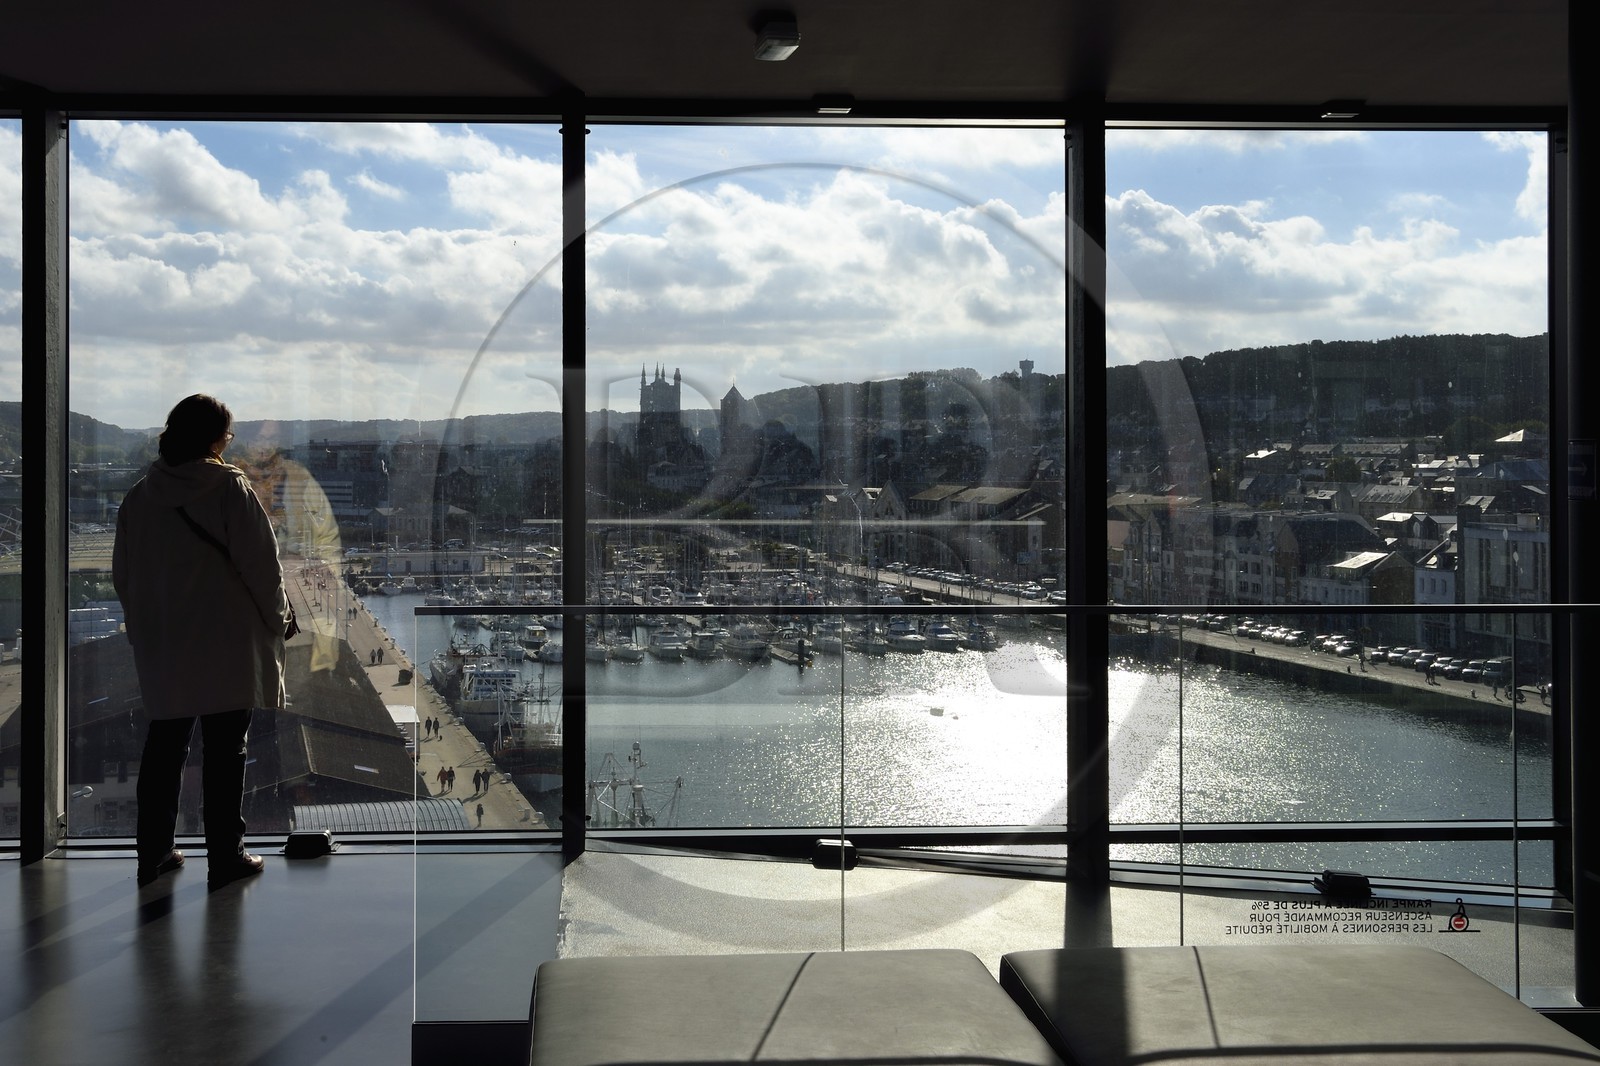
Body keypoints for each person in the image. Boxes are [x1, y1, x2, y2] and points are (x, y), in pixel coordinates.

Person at [114, 394, 290, 891]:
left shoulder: (139, 496)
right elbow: (263, 569)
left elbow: (123, 576)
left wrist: (145, 627)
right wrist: (278, 621)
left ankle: (154, 851)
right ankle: (225, 855)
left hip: (165, 644)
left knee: (165, 745)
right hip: (227, 642)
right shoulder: (230, 489)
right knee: (225, 750)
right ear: (216, 440)